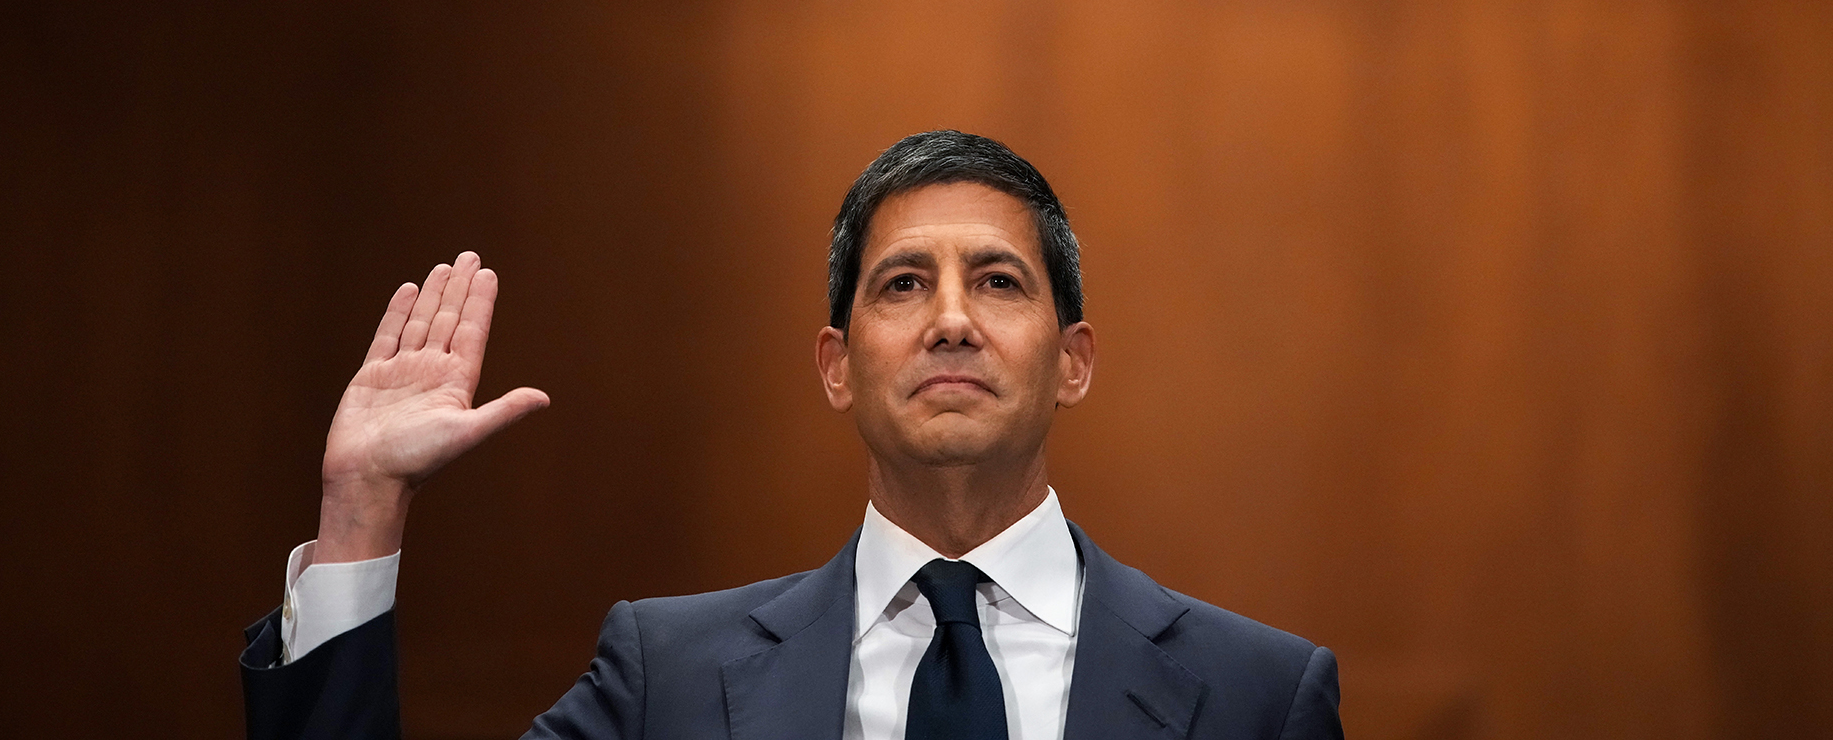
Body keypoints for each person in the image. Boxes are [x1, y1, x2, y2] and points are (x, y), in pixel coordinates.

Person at [240, 130, 1343, 740]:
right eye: (903, 283)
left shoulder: (1257, 695)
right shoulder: (665, 679)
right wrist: (360, 514)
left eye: (998, 281)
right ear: (835, 365)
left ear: (1073, 360)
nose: (951, 317)